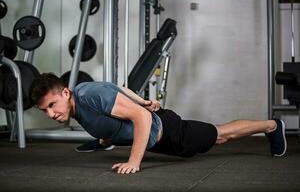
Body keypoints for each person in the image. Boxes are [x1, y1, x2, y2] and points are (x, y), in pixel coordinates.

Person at [30, 73, 287, 174]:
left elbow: (140, 118)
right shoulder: (78, 108)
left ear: (65, 93)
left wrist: (134, 162)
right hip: (159, 141)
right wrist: (105, 139)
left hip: (170, 131)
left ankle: (272, 126)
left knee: (220, 135)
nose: (51, 114)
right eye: (45, 111)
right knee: (206, 142)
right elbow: (117, 88)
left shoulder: (87, 95)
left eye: (51, 105)